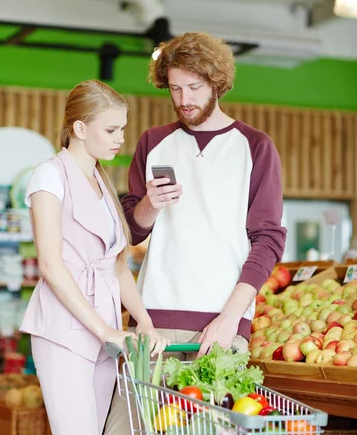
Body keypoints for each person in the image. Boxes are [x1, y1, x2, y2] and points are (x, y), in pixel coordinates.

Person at [105, 31, 287, 434]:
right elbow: (131, 231)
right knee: (127, 428)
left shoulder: (255, 147)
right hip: (153, 324)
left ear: (217, 83)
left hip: (221, 328)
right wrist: (150, 204)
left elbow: (268, 239)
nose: (184, 99)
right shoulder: (153, 143)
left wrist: (230, 317)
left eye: (194, 87)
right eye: (174, 88)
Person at [20, 80, 169, 435]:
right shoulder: (49, 175)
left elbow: (116, 266)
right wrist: (106, 330)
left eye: (122, 129)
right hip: (64, 328)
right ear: (80, 128)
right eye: (111, 129)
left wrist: (144, 323)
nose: (120, 138)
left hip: (105, 333)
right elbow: (51, 266)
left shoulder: (101, 182)